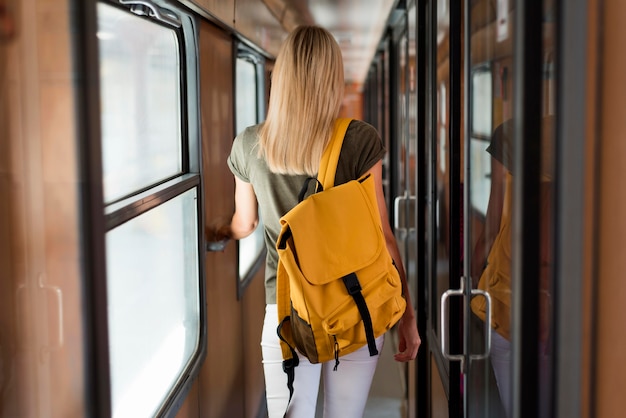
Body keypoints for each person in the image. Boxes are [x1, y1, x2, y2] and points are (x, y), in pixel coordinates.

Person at [208, 25, 421, 418]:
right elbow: (384, 238)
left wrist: (219, 231)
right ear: (332, 79)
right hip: (355, 303)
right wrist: (407, 315)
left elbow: (245, 223)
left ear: (281, 77)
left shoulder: (249, 145)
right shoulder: (359, 140)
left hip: (286, 310)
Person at [470, 118, 553, 418]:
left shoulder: (509, 135)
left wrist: (471, 274)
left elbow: (492, 226)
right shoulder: (589, 134)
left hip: (506, 300)